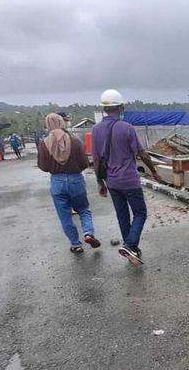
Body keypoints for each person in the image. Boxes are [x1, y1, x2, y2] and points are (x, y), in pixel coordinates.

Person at [91, 89, 160, 265]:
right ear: (121, 107)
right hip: (129, 180)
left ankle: (132, 249)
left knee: (122, 216)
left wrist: (100, 182)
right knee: (140, 213)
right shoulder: (127, 128)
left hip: (112, 182)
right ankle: (130, 245)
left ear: (104, 109)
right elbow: (142, 154)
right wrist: (153, 171)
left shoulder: (96, 130)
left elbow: (97, 160)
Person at [38, 113, 101, 254]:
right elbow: (85, 163)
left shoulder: (43, 144)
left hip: (57, 182)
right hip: (75, 180)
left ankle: (75, 244)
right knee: (83, 209)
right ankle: (88, 233)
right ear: (62, 123)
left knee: (64, 215)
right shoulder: (75, 141)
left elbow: (43, 166)